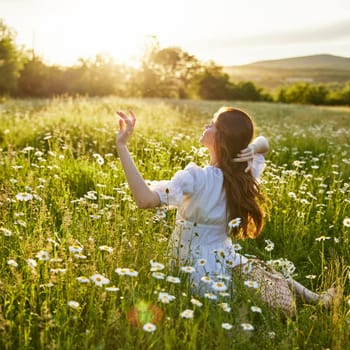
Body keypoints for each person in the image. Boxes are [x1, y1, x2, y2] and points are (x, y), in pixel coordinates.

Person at [115, 107, 334, 311]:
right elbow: (263, 144)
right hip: (222, 255)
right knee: (261, 272)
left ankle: (312, 300)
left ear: (222, 137)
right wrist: (253, 148)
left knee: (255, 278)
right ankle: (316, 300)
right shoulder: (244, 175)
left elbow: (144, 200)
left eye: (211, 124)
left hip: (193, 263)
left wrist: (122, 146)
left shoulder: (197, 177)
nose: (205, 126)